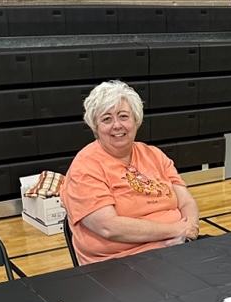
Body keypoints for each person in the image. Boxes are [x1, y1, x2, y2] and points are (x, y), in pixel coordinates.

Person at [61, 80, 200, 265]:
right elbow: (109, 227)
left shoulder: (154, 155)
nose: (117, 125)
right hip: (119, 265)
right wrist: (175, 230)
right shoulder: (85, 167)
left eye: (123, 116)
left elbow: (186, 201)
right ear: (96, 127)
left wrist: (190, 229)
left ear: (136, 120)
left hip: (177, 249)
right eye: (107, 119)